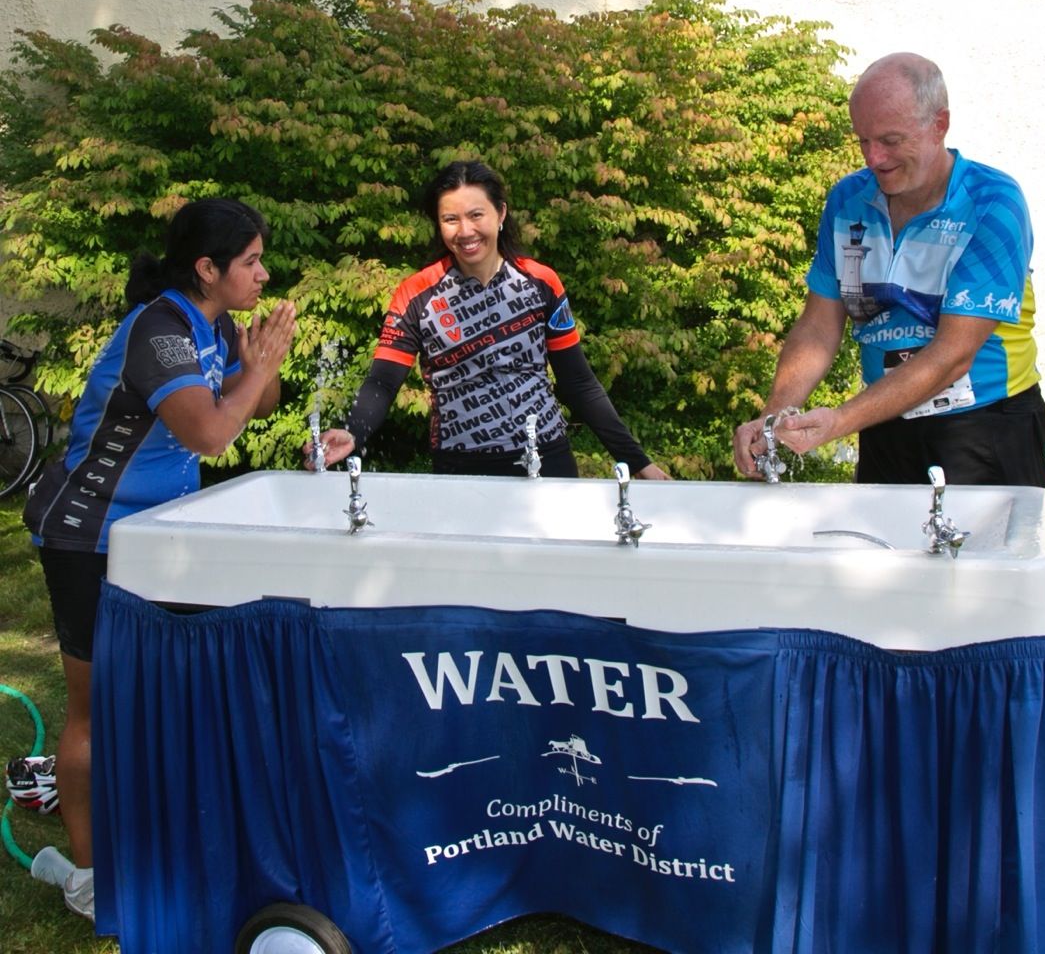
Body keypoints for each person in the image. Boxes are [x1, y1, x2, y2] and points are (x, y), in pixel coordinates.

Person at [22, 197, 297, 922]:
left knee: (158, 688)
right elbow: (211, 433)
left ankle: (148, 838)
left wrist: (260, 361)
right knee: (93, 708)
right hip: (89, 535)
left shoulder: (216, 321)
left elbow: (258, 404)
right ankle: (86, 873)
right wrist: (256, 368)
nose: (263, 274)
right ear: (207, 269)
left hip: (158, 535)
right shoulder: (160, 329)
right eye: (250, 263)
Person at [732, 53, 1045, 493]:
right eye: (863, 140)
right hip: (885, 418)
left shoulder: (993, 202)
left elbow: (953, 354)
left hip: (986, 423)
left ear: (939, 124)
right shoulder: (848, 199)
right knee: (883, 559)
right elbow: (818, 325)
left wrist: (839, 421)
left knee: (995, 562)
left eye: (890, 140)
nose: (874, 158)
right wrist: (774, 416)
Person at [309, 160, 669, 480]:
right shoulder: (415, 294)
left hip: (546, 457)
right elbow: (383, 383)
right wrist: (353, 431)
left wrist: (636, 460)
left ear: (500, 214)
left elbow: (578, 383)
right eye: (451, 219)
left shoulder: (542, 282)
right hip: (460, 467)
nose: (465, 231)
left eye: (476, 215)